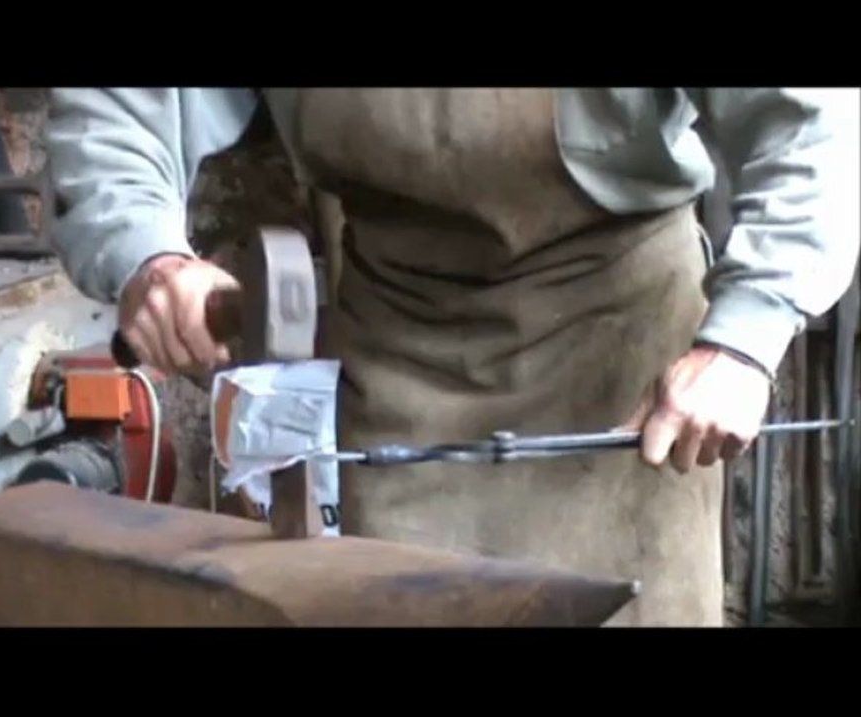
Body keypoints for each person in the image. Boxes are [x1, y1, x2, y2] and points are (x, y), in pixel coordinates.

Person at [43, 88, 858, 626]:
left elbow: (807, 119)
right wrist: (149, 256)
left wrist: (746, 335)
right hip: (397, 354)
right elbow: (117, 110)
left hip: (619, 367)